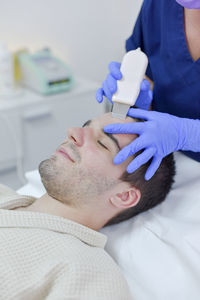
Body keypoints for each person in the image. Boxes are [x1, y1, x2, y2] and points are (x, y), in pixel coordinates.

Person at [0, 112, 175, 300]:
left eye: (102, 143)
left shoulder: (90, 274)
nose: (73, 132)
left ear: (124, 196)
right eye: (85, 126)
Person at [96, 0, 200, 181]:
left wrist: (189, 134)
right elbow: (149, 77)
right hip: (172, 160)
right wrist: (137, 102)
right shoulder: (159, 5)